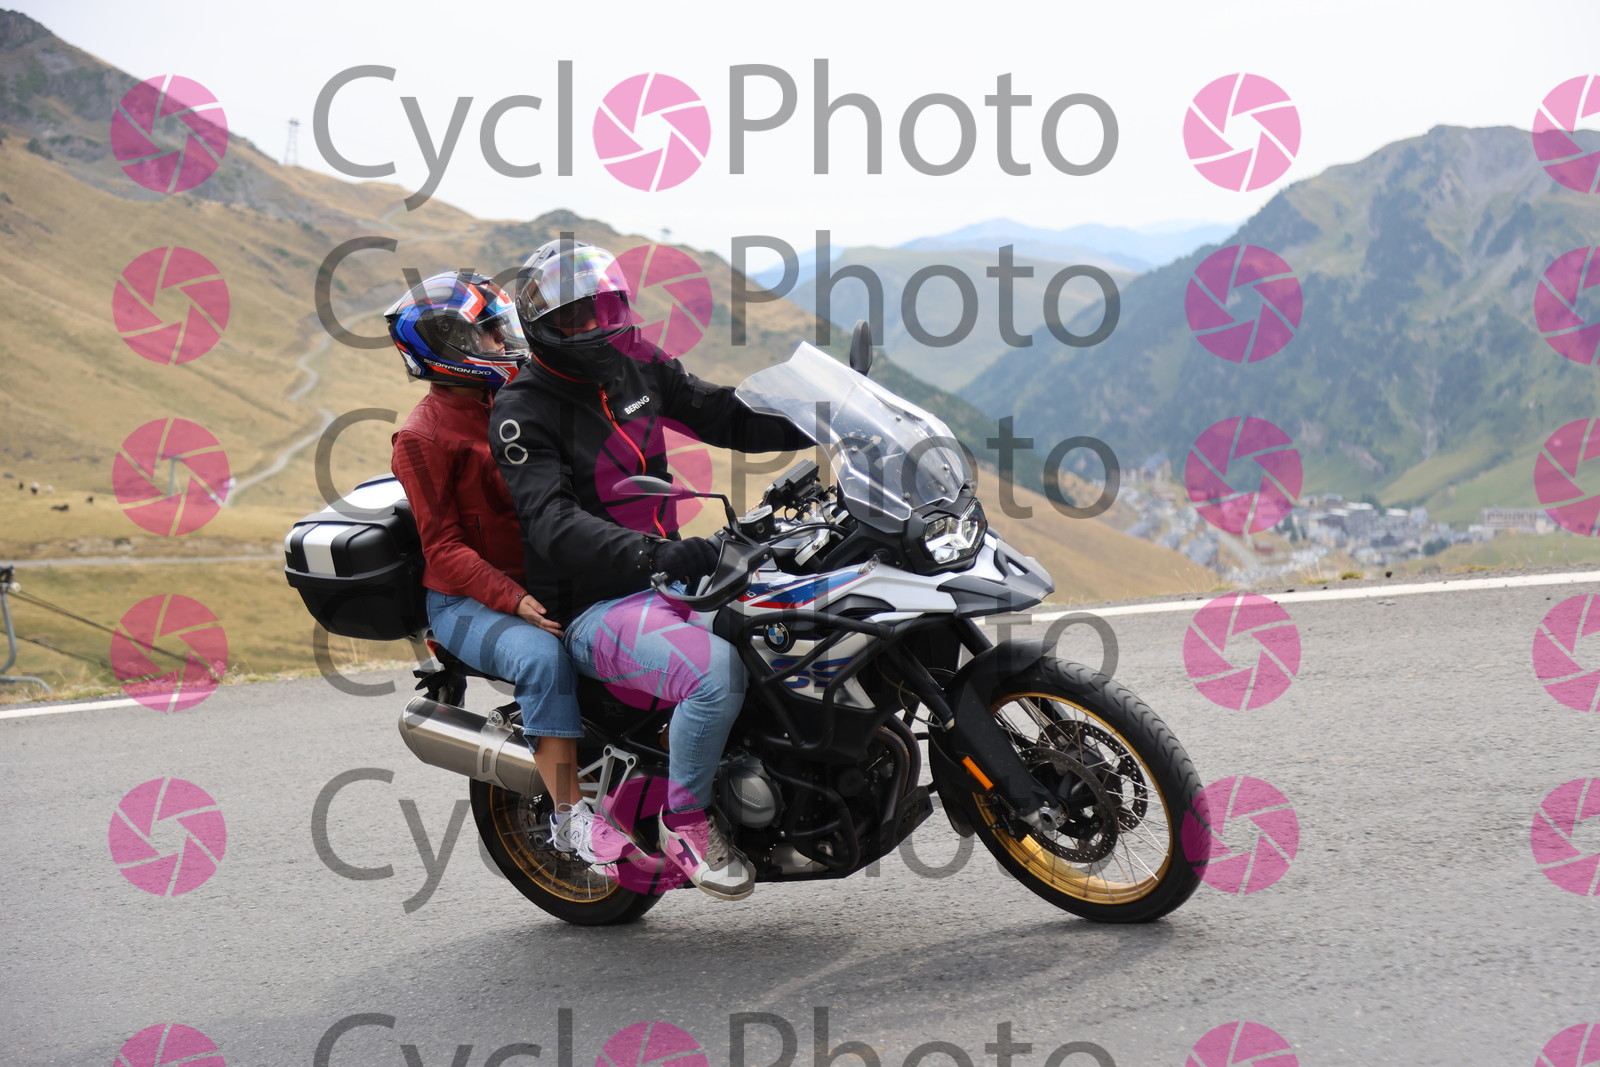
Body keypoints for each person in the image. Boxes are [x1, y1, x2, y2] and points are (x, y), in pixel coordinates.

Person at [491, 238, 810, 901]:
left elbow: (725, 415)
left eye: (605, 309)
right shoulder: (523, 409)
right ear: (543, 329)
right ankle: (685, 821)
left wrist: (820, 419)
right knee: (714, 674)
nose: (595, 327)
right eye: (575, 319)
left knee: (798, 619)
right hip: (595, 605)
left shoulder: (638, 362)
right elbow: (550, 521)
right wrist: (650, 552)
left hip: (672, 577)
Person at [385, 270, 603, 863]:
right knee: (542, 657)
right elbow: (442, 547)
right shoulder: (421, 437)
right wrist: (513, 599)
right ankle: (568, 818)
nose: (501, 341)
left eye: (499, 328)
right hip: (465, 601)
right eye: (488, 332)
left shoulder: (510, 401)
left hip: (540, 579)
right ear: (448, 346)